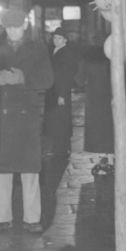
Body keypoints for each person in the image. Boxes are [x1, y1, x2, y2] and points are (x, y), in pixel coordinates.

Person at [0, 6, 54, 234]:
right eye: (9, 27)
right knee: (0, 169)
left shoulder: (37, 48)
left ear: (25, 25)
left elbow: (48, 79)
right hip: (0, 115)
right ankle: (1, 218)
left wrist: (24, 78)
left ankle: (32, 219)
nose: (12, 32)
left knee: (29, 170)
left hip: (26, 115)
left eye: (16, 27)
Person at [42, 28, 80, 158]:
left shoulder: (67, 53)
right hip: (52, 91)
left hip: (60, 91)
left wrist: (62, 94)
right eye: (54, 38)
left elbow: (67, 75)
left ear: (65, 40)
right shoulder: (54, 51)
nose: (56, 40)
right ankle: (58, 148)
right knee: (54, 120)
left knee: (61, 121)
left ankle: (61, 149)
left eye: (59, 38)